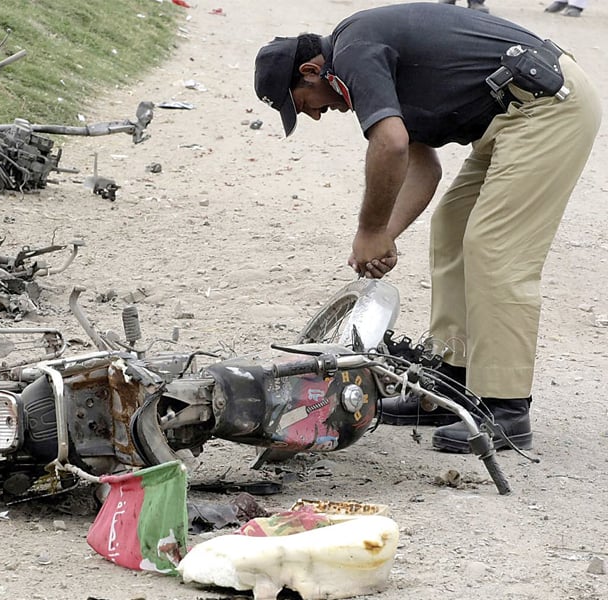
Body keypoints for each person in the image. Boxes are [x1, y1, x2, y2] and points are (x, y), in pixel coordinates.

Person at [253, 3, 601, 453]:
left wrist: (370, 228)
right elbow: (424, 168)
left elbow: (391, 144)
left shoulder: (354, 50)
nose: (317, 115)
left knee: (495, 247)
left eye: (304, 105)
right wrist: (384, 236)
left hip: (548, 108)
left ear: (311, 70)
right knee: (452, 229)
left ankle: (507, 409)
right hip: (516, 113)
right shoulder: (362, 58)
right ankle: (449, 383)